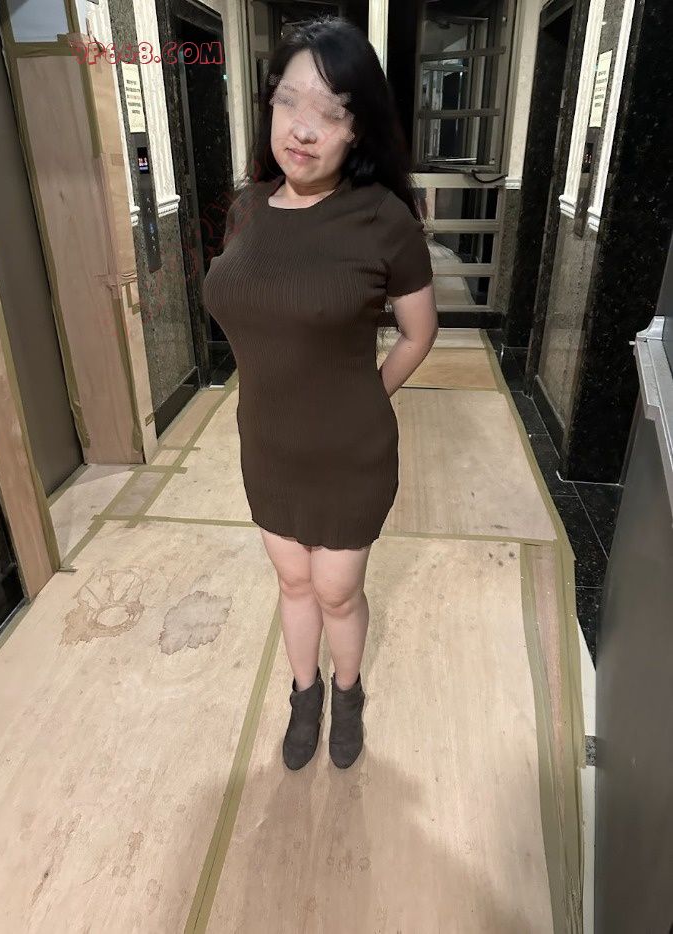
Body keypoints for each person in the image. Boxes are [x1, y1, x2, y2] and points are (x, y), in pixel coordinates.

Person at [202, 15, 437, 771]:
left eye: (330, 113)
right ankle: (303, 695)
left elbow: (419, 333)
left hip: (349, 453)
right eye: (288, 102)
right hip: (267, 445)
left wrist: (367, 396)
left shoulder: (385, 220)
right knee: (293, 580)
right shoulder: (247, 208)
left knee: (337, 590)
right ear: (269, 104)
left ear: (357, 129)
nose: (302, 129)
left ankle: (348, 690)